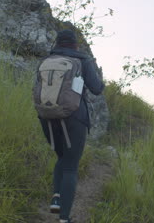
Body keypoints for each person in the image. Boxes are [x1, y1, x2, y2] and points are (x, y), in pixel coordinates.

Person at [38, 29, 104, 223]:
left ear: (57, 43)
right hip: (74, 117)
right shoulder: (83, 59)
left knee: (62, 157)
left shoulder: (45, 60)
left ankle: (56, 198)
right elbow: (96, 89)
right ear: (76, 45)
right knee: (71, 167)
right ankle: (64, 219)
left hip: (46, 116)